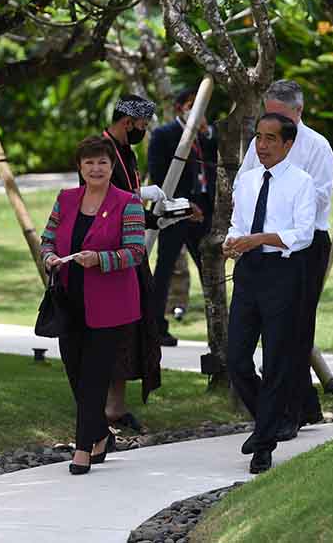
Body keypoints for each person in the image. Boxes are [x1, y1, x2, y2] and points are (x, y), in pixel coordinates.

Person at [40, 137, 146, 474]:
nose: (96, 168)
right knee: (75, 373)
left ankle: (83, 449)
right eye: (89, 163)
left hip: (110, 305)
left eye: (102, 162)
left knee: (94, 378)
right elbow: (47, 240)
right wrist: (49, 257)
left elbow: (136, 252)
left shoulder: (128, 203)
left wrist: (100, 259)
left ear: (112, 167)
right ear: (80, 167)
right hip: (69, 301)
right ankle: (99, 433)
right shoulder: (66, 199)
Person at [237, 80, 333, 436]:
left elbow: (319, 199)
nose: (272, 126)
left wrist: (285, 190)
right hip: (258, 245)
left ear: (299, 111)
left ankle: (290, 414)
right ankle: (285, 409)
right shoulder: (259, 144)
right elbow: (244, 183)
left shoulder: (317, 147)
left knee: (295, 331)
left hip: (304, 244)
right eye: (268, 115)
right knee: (260, 336)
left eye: (280, 117)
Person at [225, 113, 316, 474]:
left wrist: (259, 239)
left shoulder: (302, 182)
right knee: (236, 359)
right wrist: (232, 243)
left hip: (283, 273)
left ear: (288, 144)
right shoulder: (247, 180)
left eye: (270, 139)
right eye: (258, 138)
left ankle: (263, 444)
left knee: (276, 359)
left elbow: (303, 234)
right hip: (249, 271)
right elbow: (238, 224)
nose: (261, 146)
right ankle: (268, 420)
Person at [98, 94, 163, 429]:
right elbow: (101, 198)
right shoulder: (99, 152)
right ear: (127, 122)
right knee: (113, 330)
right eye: (142, 124)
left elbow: (130, 202)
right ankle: (101, 408)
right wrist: (140, 199)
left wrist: (159, 217)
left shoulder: (127, 152)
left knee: (134, 329)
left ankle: (116, 407)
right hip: (109, 253)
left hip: (132, 249)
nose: (144, 130)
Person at [147, 87, 218, 347]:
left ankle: (218, 329)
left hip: (204, 211)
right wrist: (185, 206)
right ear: (180, 108)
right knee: (165, 269)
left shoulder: (207, 135)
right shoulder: (164, 135)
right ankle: (156, 327)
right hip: (175, 211)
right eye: (191, 106)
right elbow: (159, 176)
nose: (197, 111)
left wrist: (206, 132)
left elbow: (214, 164)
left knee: (210, 269)